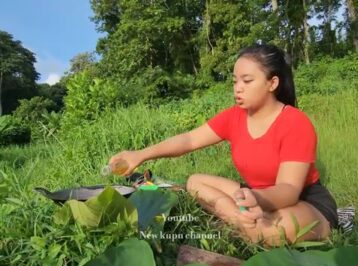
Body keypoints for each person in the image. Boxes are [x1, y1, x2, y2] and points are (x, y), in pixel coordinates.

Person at [109, 44, 338, 245]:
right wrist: (140, 154)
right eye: (235, 81)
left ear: (272, 83)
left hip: (303, 201)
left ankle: (242, 224)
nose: (238, 87)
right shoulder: (234, 117)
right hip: (253, 196)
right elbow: (188, 139)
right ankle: (240, 221)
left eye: (247, 81)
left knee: (269, 233)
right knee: (195, 182)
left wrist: (257, 199)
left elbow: (288, 190)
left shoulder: (295, 122)